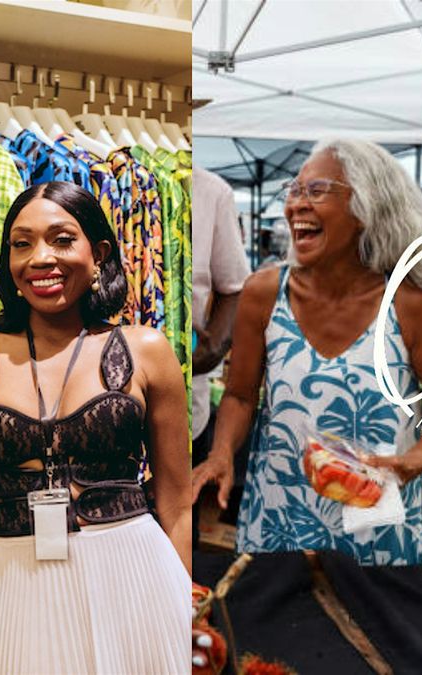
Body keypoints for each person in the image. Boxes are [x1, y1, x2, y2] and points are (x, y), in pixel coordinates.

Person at [0, 181, 191, 673]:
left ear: (98, 254)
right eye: (22, 243)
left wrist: (189, 612)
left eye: (61, 239)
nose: (40, 258)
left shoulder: (146, 350)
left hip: (137, 576)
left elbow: (177, 504)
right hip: (19, 585)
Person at [190, 138, 422, 565]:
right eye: (294, 191)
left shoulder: (413, 306)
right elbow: (240, 396)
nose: (295, 206)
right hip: (280, 521)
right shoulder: (264, 293)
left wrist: (416, 458)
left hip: (380, 532)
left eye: (316, 191)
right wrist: (221, 453)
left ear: (367, 206)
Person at [190, 165, 250, 547]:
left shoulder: (210, 191)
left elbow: (235, 287)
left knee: (175, 540)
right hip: (79, 408)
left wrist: (214, 347)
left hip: (181, 407)